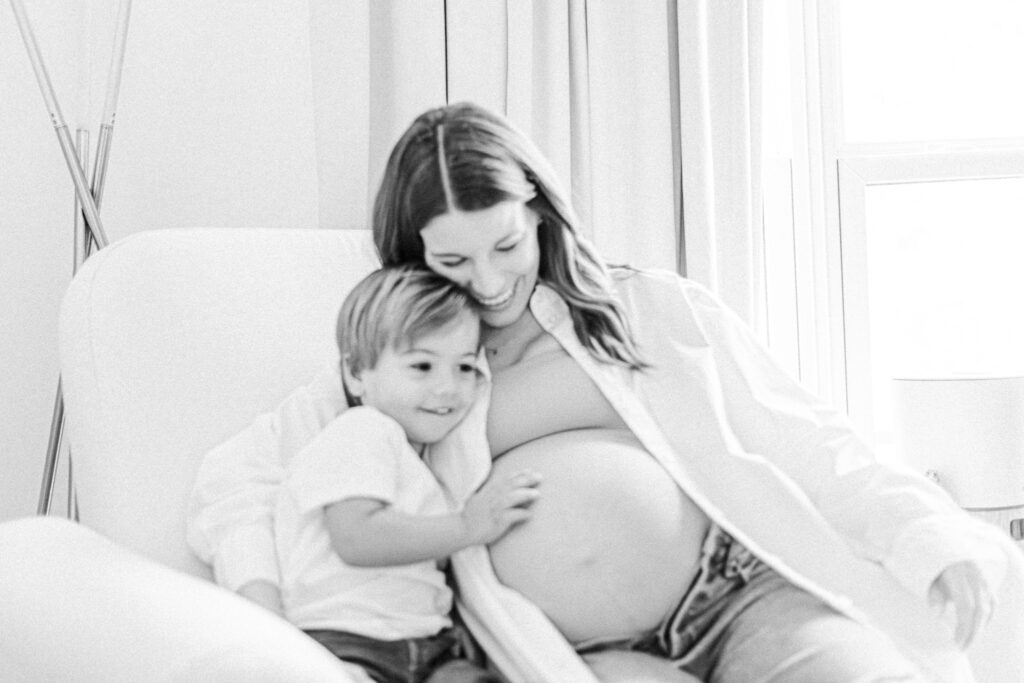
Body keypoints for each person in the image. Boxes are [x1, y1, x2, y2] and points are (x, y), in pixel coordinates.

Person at [189, 102, 1021, 682]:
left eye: (506, 245)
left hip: (734, 595)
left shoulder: (644, 308)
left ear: (540, 215)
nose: (489, 282)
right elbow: (242, 474)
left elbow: (801, 432)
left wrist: (926, 535)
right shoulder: (389, 368)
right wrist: (261, 617)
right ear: (411, 254)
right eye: (453, 262)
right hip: (570, 652)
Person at [274, 264, 539, 683]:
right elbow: (356, 538)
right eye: (422, 366)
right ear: (357, 374)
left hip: (429, 643)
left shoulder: (421, 459)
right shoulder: (362, 430)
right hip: (349, 640)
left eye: (465, 367)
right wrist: (469, 524)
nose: (448, 388)